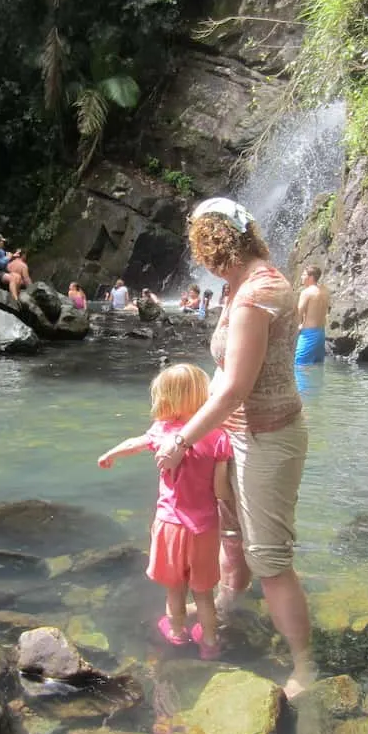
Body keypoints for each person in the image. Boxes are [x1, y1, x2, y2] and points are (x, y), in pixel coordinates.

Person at [156, 197, 313, 699]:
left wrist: (183, 438)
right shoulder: (240, 286)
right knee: (230, 532)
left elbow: (234, 390)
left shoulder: (254, 296)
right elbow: (226, 377)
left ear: (213, 245)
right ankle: (228, 601)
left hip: (266, 437)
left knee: (270, 558)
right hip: (237, 434)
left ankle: (305, 666)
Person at [97, 363, 234, 659]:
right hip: (205, 529)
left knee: (175, 590)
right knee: (204, 594)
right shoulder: (218, 436)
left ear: (166, 399)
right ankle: (209, 643)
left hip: (170, 526)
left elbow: (135, 443)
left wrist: (111, 454)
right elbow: (221, 490)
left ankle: (176, 634)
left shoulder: (162, 432)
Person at [295, 265, 330, 365]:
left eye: (303, 274)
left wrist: (295, 329)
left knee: (299, 366)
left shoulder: (306, 292)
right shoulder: (325, 291)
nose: (301, 276)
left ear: (310, 277)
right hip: (321, 333)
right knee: (317, 366)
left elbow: (298, 313)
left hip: (308, 335)